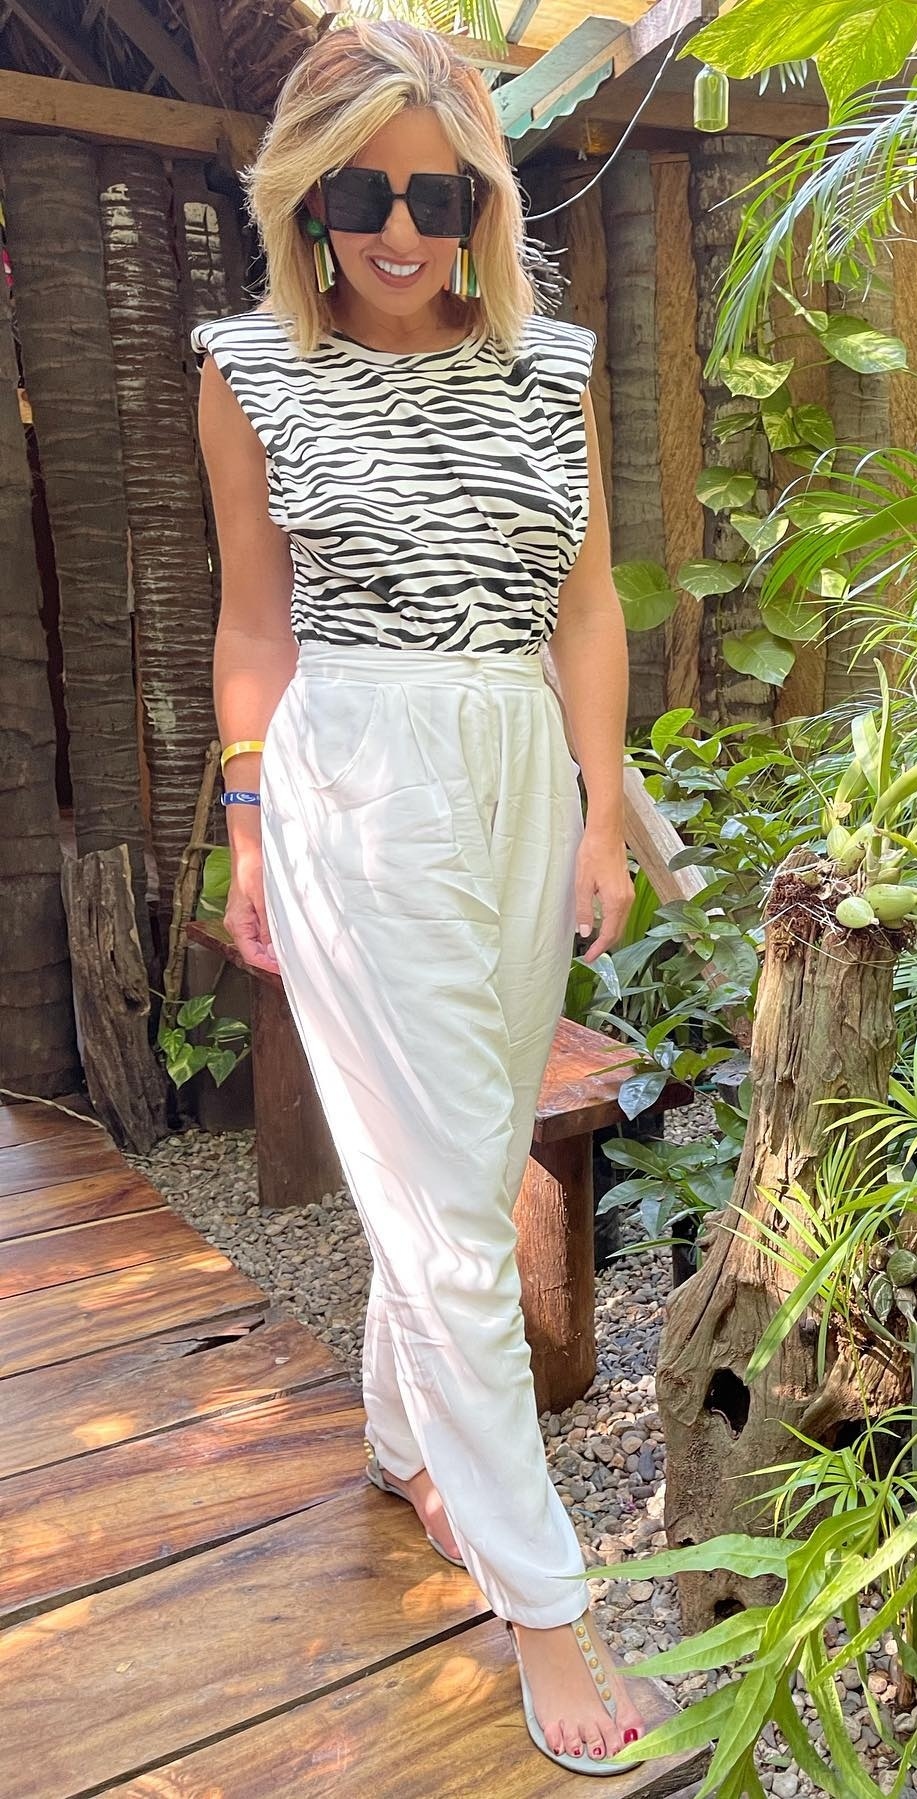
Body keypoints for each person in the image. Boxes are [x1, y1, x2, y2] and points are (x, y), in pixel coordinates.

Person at [192, 16, 642, 1775]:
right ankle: (547, 1604)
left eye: (434, 194)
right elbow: (254, 624)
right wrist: (246, 831)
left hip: (518, 769)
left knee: (451, 1157)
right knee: (458, 1225)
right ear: (305, 200)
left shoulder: (549, 363)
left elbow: (585, 605)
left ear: (480, 204)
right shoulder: (247, 368)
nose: (397, 229)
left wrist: (599, 813)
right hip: (354, 787)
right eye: (361, 193)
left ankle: (402, 1443)